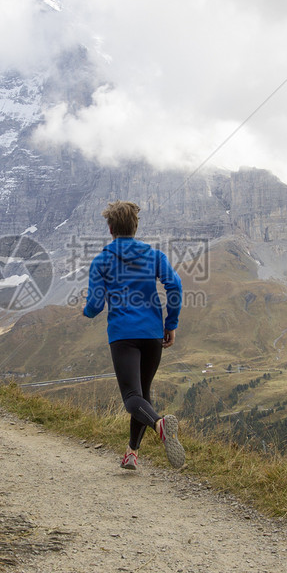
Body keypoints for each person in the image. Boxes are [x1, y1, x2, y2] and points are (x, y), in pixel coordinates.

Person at [83, 201, 185, 471]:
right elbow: (175, 285)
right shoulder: (154, 256)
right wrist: (170, 323)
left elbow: (95, 305)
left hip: (123, 335)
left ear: (110, 228)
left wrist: (87, 311)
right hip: (152, 335)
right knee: (143, 396)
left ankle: (159, 425)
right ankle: (131, 453)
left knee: (131, 397)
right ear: (135, 226)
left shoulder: (102, 260)